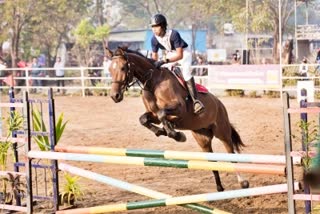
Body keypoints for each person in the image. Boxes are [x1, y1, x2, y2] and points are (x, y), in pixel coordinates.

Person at [149, 13, 204, 114]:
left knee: (186, 73)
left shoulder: (173, 34)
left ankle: (196, 101)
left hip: (184, 53)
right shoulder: (154, 39)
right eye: (152, 27)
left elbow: (180, 55)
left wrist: (164, 61)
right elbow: (154, 58)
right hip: (171, 54)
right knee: (162, 71)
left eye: (156, 26)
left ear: (163, 26)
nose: (154, 29)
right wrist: (153, 65)